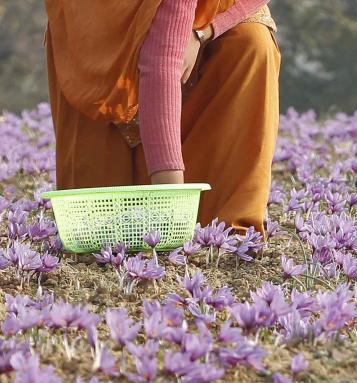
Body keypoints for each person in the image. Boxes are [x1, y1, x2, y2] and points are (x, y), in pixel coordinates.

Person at [45, 0, 280, 235]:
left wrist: (202, 32)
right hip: (101, 19)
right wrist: (171, 201)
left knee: (251, 40)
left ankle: (226, 224)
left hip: (210, 21)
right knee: (101, 226)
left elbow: (165, 55)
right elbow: (160, 58)